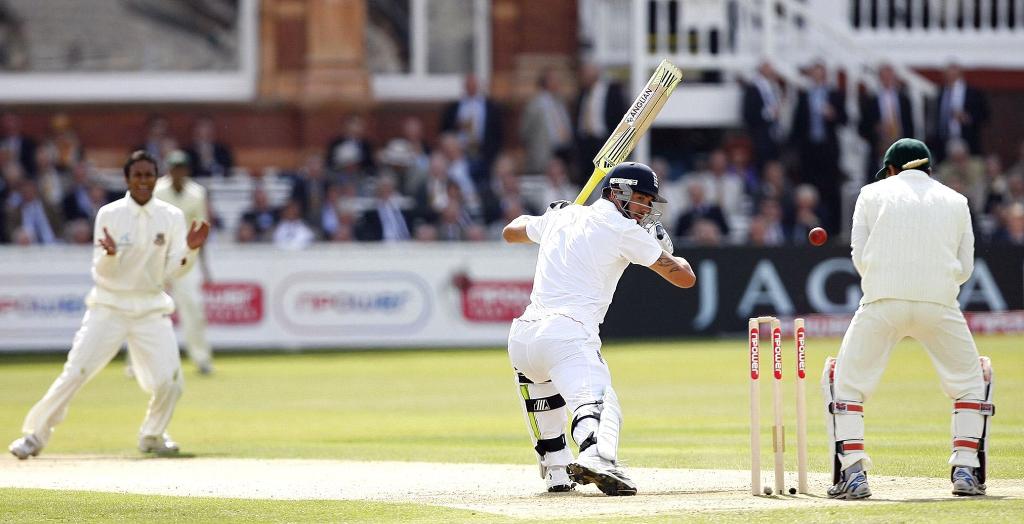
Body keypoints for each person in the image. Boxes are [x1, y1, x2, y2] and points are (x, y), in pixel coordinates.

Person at [502, 162, 695, 495]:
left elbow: (511, 231)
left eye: (649, 201)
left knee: (544, 401)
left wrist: (551, 216)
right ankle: (597, 457)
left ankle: (557, 470)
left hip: (523, 338)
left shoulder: (563, 216)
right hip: (568, 335)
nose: (645, 208)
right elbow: (685, 278)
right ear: (617, 192)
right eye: (641, 198)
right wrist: (666, 249)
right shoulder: (625, 231)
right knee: (598, 402)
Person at [8, 150, 210, 460]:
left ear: (156, 178)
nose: (143, 181)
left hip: (150, 307)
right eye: (137, 175)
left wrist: (190, 251)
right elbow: (100, 271)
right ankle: (35, 435)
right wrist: (111, 256)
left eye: (149, 175)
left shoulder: (170, 216)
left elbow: (174, 270)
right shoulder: (110, 214)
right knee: (76, 372)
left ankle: (152, 435)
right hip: (109, 306)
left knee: (171, 382)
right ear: (127, 179)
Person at [825, 138, 992, 499]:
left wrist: (888, 279)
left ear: (891, 169)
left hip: (882, 301)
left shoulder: (870, 194)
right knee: (970, 382)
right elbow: (965, 267)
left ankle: (854, 475)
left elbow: (859, 257)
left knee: (846, 383)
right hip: (940, 304)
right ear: (929, 169)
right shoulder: (957, 200)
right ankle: (966, 469)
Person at [154, 150, 214, 374]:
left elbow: (201, 231)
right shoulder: (157, 191)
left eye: (181, 168)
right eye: (174, 168)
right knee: (148, 308)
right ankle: (138, 362)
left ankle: (201, 359)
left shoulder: (197, 194)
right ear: (168, 170)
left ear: (186, 170)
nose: (177, 172)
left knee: (193, 308)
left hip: (187, 259)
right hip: (158, 257)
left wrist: (205, 266)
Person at [858, 64, 914, 184]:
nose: (887, 80)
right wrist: (875, 130)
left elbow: (910, 125)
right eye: (884, 77)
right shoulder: (870, 99)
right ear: (879, 78)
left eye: (890, 76)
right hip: (878, 149)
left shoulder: (904, 99)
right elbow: (862, 127)